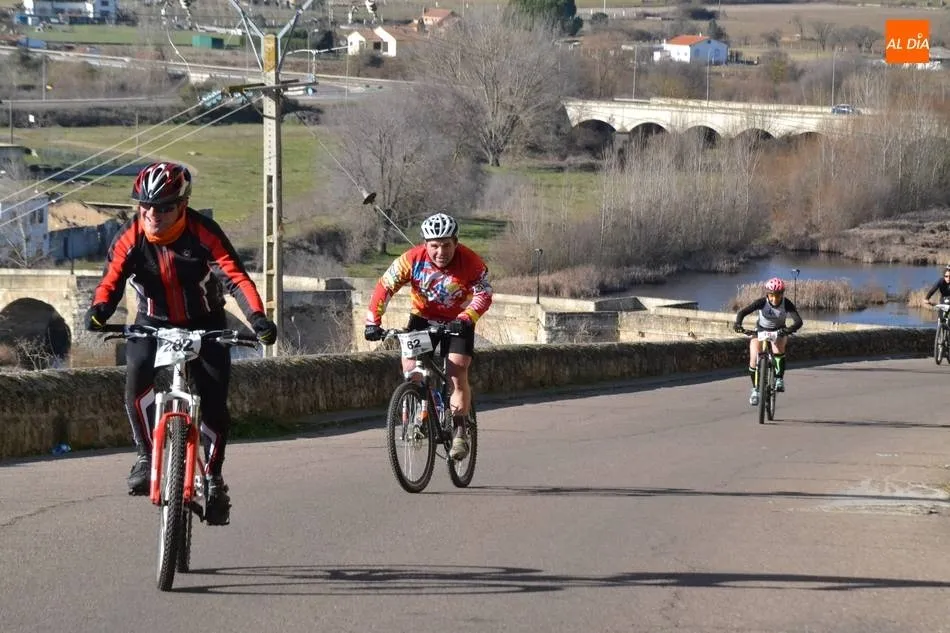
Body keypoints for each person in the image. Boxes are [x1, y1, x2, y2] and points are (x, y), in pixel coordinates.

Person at [84, 161, 277, 525]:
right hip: (152, 322)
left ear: (183, 205)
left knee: (215, 401)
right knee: (137, 373)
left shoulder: (203, 232)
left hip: (206, 322)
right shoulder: (131, 236)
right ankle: (145, 457)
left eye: (163, 207)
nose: (152, 214)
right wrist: (100, 309)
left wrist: (257, 319)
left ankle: (214, 478)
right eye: (145, 206)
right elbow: (111, 279)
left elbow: (236, 278)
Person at [363, 212, 493, 460]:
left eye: (446, 245)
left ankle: (459, 430)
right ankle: (422, 409)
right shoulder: (411, 259)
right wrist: (373, 322)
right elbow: (384, 287)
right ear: (425, 244)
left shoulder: (470, 262)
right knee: (411, 367)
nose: (440, 252)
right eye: (434, 246)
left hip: (459, 321)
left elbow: (484, 294)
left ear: (456, 242)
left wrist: (466, 318)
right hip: (423, 318)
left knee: (456, 372)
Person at [733, 277, 804, 406]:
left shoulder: (786, 303)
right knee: (754, 358)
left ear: (782, 294)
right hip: (761, 331)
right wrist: (738, 324)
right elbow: (742, 312)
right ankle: (755, 390)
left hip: (779, 331)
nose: (774, 299)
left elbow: (798, 321)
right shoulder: (761, 302)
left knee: (778, 349)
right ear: (767, 294)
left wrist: (788, 330)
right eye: (771, 295)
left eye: (778, 295)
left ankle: (779, 379)